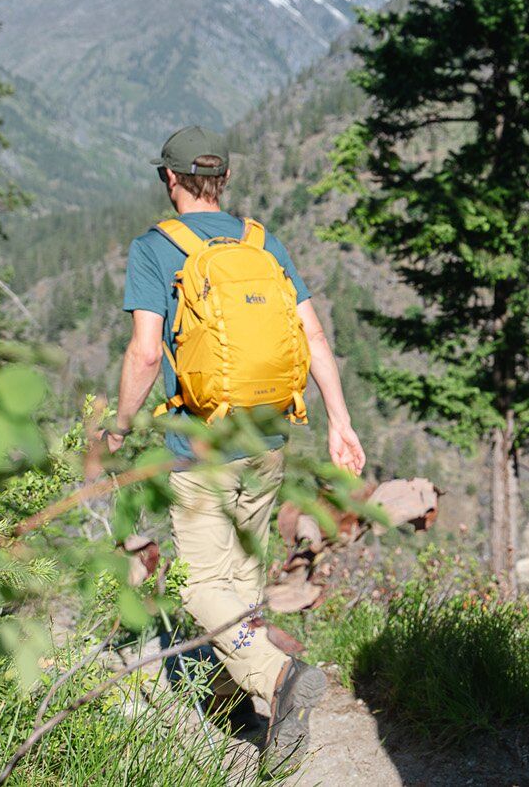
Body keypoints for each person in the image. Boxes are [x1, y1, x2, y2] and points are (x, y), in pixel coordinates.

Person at [106, 125, 367, 762]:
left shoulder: (155, 248)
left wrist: (119, 423)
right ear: (222, 180)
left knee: (199, 582)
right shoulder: (262, 242)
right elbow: (314, 339)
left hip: (199, 440)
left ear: (170, 179)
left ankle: (278, 680)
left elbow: (145, 353)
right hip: (269, 433)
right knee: (240, 575)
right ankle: (239, 704)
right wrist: (340, 420)